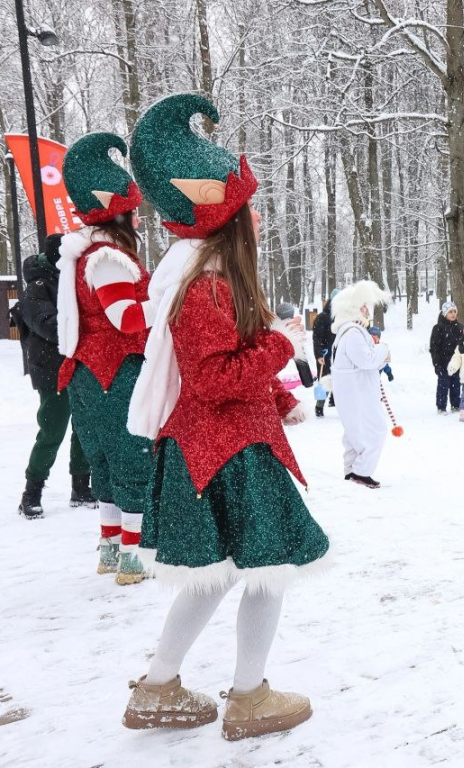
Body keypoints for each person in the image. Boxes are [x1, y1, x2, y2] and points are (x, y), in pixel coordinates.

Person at [124, 93, 329, 739]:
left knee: (213, 579)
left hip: (219, 447)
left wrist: (279, 397)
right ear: (228, 220)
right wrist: (280, 346)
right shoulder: (206, 285)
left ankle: (159, 687)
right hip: (226, 453)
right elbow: (214, 380)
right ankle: (249, 697)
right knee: (267, 573)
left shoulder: (210, 279)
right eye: (248, 207)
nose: (259, 217)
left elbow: (218, 366)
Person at [57, 133, 155, 585]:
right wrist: (172, 304)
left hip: (87, 375)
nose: (138, 219)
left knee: (104, 462)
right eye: (133, 211)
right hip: (115, 375)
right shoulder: (108, 259)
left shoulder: (84, 256)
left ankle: (110, 548)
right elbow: (128, 319)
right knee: (130, 457)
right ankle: (133, 558)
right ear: (117, 212)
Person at [14, 234, 95, 519]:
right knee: (53, 429)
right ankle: (31, 492)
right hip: (51, 368)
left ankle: (81, 486)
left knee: (84, 427)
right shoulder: (37, 285)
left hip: (78, 362)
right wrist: (89, 327)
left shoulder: (72, 277)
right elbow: (48, 324)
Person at [332, 282, 393, 488]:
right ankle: (361, 471)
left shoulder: (346, 332)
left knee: (353, 431)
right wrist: (383, 349)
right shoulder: (353, 333)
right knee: (375, 429)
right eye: (363, 306)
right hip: (358, 393)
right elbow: (366, 359)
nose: (367, 309)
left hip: (353, 392)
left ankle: (352, 470)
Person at [430, 301, 462, 414]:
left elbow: (463, 345)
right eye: (450, 312)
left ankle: (455, 405)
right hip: (443, 362)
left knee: (456, 384)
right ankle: (441, 407)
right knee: (443, 385)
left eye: (454, 311)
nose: (453, 314)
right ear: (445, 313)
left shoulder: (460, 327)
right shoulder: (438, 328)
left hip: (457, 362)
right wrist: (436, 364)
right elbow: (434, 348)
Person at [312, 288, 339, 418]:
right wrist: (319, 355)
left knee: (341, 379)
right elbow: (316, 338)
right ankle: (319, 406)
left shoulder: (344, 317)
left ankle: (335, 401)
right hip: (326, 355)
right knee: (325, 380)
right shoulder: (322, 318)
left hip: (340, 354)